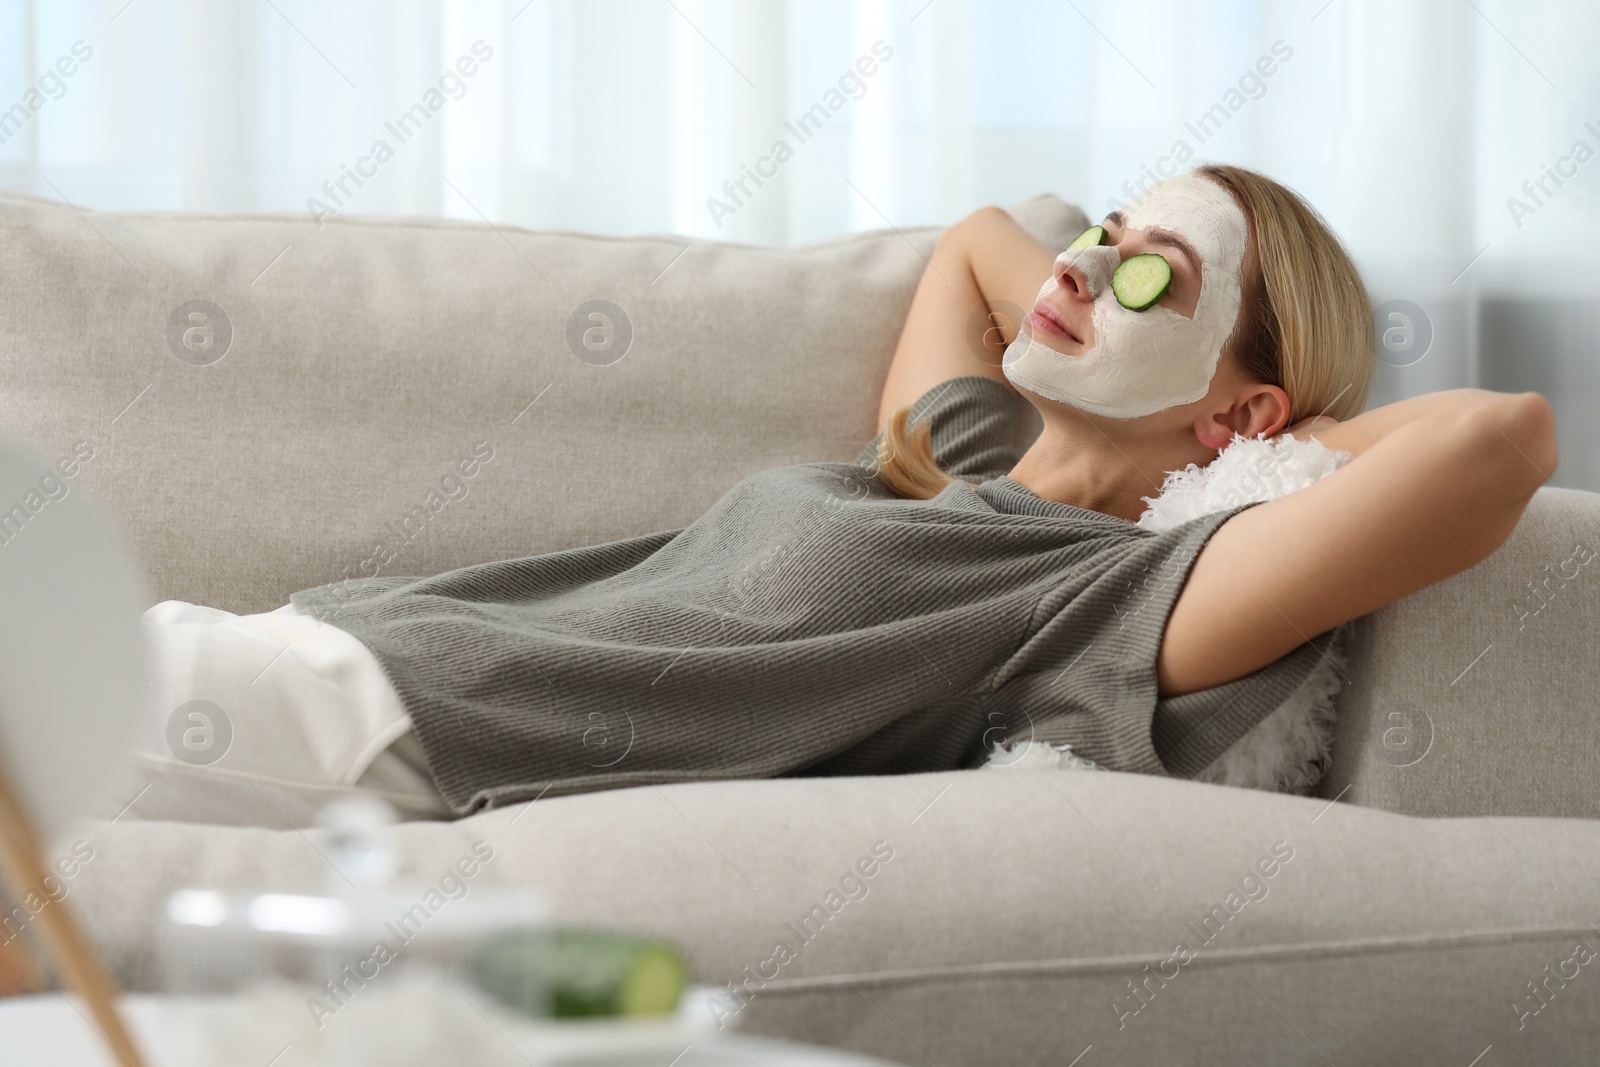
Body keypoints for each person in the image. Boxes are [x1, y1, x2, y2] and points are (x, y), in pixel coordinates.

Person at [124, 163, 1556, 829]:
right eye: (1104, 234)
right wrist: (1117, 276)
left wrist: (1266, 446)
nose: (1071, 267)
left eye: (1142, 277)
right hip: (299, 643)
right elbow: (979, 241)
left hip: (373, 738)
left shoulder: (1106, 603)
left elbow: (1499, 441)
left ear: (1243, 409)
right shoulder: (969, 472)